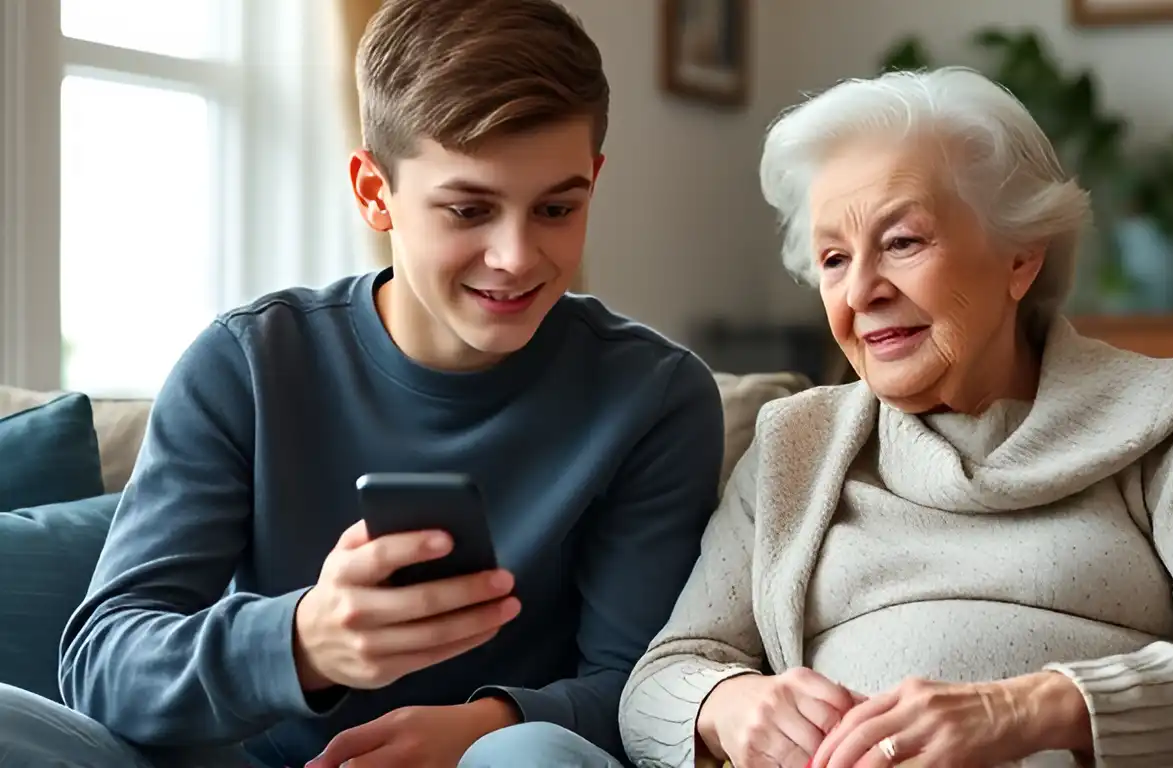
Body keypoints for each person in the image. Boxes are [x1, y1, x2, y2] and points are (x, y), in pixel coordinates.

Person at [0, 1, 725, 766]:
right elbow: (102, 664)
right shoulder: (247, 365)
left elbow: (646, 689)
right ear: (375, 191)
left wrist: (486, 728)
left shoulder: (653, 397)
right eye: (469, 209)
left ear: (593, 183)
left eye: (556, 207)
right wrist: (305, 641)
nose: (517, 255)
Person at [618, 66, 1173, 768]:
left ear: (1020, 258)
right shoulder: (793, 446)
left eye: (902, 242)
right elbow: (658, 682)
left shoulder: (1170, 419)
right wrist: (729, 703)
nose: (861, 289)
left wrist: (1022, 713)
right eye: (834, 258)